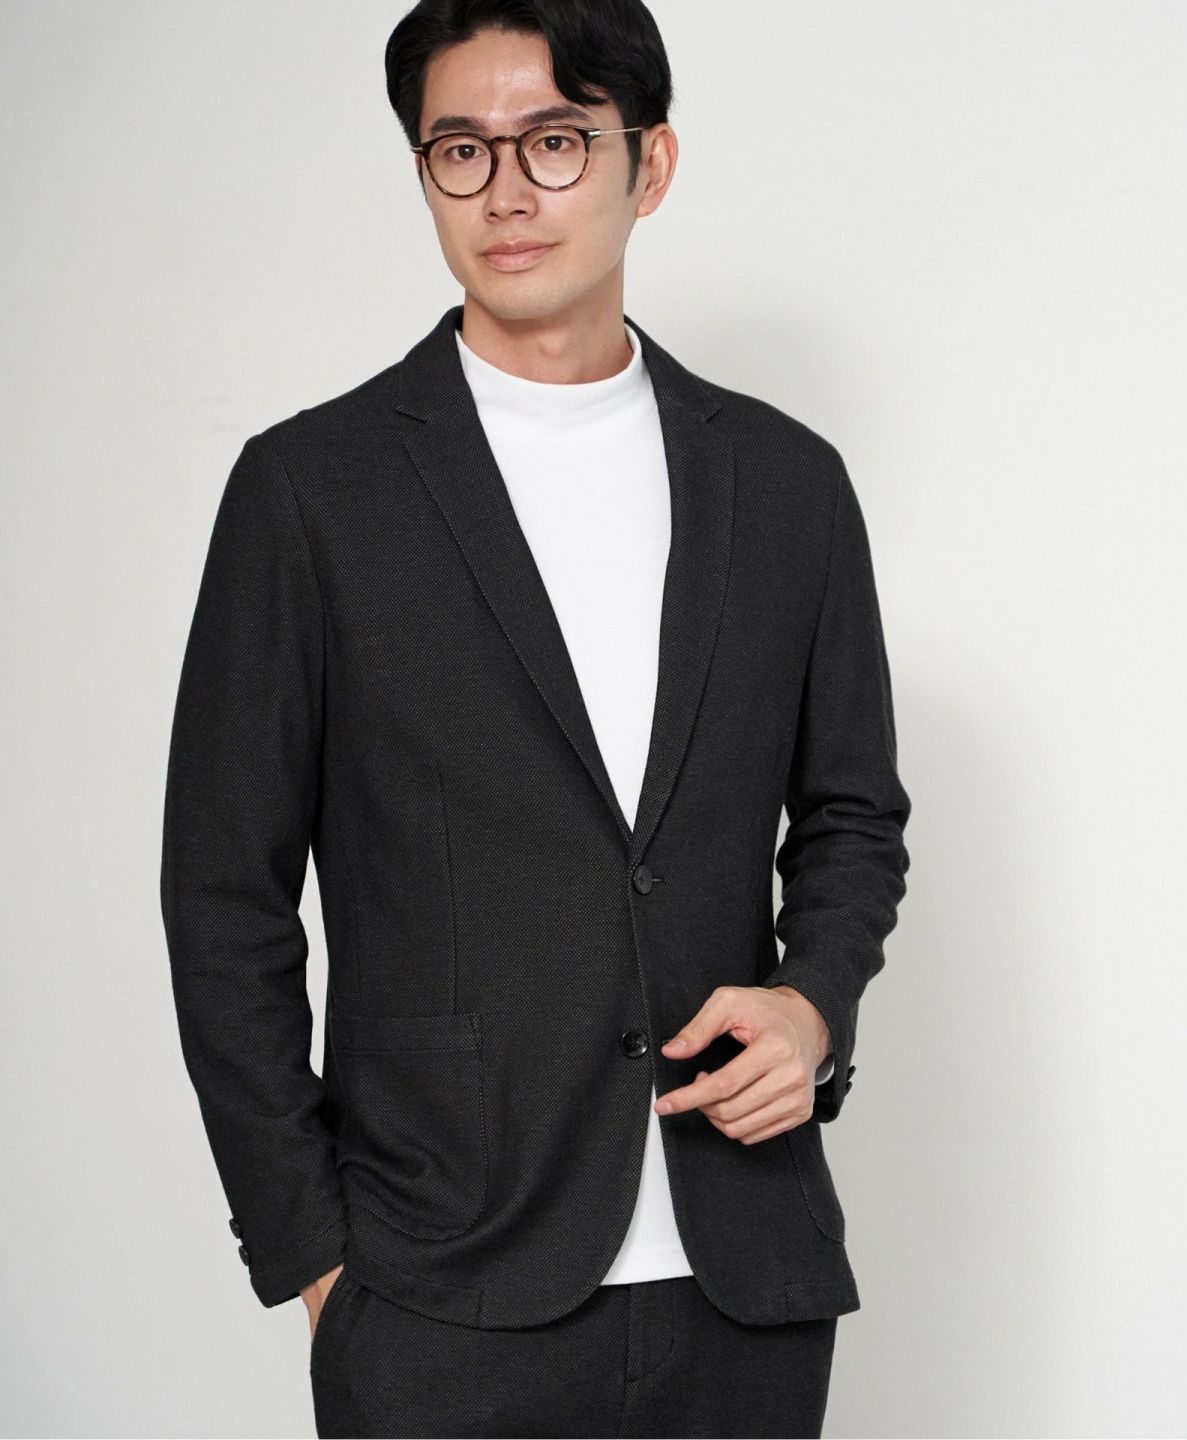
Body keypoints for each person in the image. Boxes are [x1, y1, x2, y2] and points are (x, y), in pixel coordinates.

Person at [159, 2, 912, 1435]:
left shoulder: (787, 484)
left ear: (650, 163)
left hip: (744, 1283)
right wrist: (314, 1256)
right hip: (437, 1293)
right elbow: (221, 898)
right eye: (461, 149)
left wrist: (815, 1002)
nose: (505, 190)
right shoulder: (311, 494)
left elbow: (853, 813)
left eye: (555, 142)